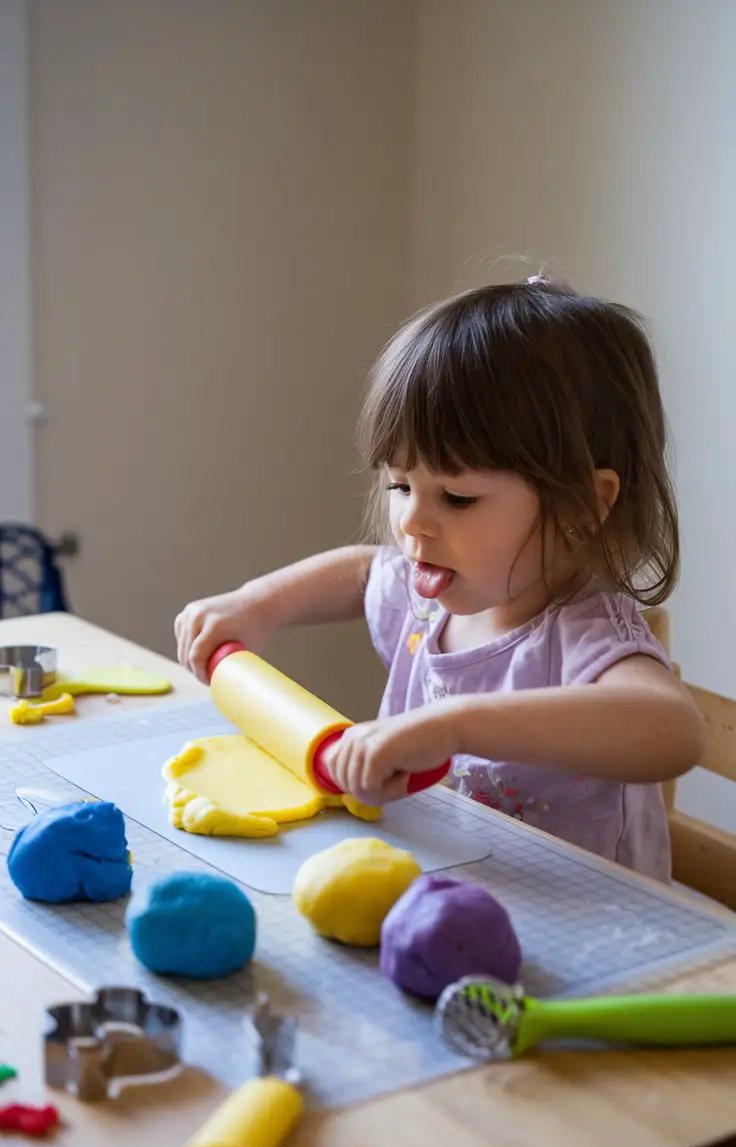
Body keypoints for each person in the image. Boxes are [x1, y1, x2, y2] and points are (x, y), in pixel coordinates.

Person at [175, 277, 704, 881]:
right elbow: (362, 573)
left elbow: (673, 732)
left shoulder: (583, 633)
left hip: (592, 938)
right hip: (447, 889)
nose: (412, 523)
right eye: (400, 485)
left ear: (582, 506)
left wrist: (454, 726)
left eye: (457, 497)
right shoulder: (429, 598)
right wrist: (256, 605)